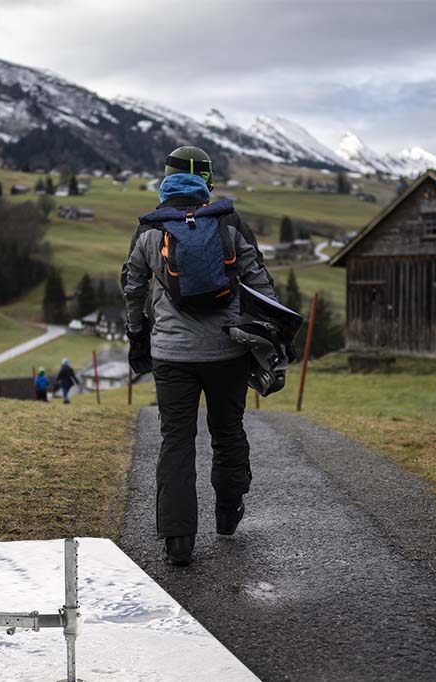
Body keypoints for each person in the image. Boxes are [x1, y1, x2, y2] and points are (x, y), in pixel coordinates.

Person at [121, 145, 278, 566]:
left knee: (177, 439)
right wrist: (270, 338)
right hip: (228, 350)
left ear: (166, 178)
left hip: (172, 354)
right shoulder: (227, 221)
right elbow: (259, 281)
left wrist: (138, 338)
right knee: (228, 431)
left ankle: (178, 541)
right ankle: (227, 514)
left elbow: (133, 288)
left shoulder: (151, 228)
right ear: (206, 180)